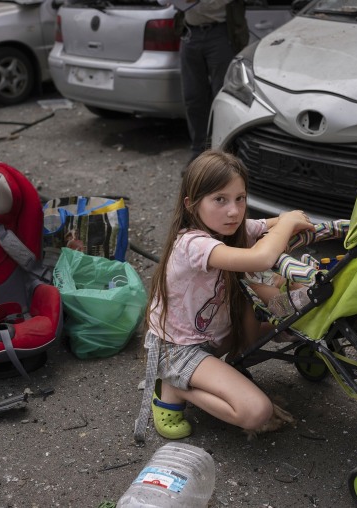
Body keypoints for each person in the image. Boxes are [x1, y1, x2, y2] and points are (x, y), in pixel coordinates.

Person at [133, 150, 313, 442]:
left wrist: (286, 221)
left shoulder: (230, 228)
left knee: (276, 299)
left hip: (215, 334)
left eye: (240, 198)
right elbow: (261, 258)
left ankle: (290, 325)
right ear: (191, 205)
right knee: (256, 412)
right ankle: (174, 388)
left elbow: (266, 226)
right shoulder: (192, 244)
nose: (234, 211)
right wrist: (290, 222)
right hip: (178, 350)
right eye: (220, 199)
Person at [175, 0, 249, 162]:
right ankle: (199, 153)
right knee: (193, 97)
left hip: (220, 33)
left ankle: (223, 155)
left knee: (223, 98)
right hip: (190, 34)